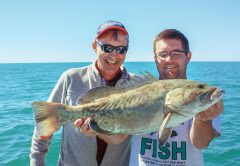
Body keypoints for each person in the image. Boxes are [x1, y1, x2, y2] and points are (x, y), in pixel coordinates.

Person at [30, 20, 135, 166]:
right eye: (107, 48)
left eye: (121, 49)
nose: (114, 55)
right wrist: (36, 161)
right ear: (94, 47)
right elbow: (45, 124)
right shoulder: (71, 78)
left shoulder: (136, 85)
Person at [129, 29, 224, 166]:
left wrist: (203, 120)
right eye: (163, 54)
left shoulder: (200, 95)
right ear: (155, 58)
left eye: (176, 53)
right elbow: (118, 134)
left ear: (188, 56)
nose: (169, 59)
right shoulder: (137, 92)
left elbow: (201, 143)